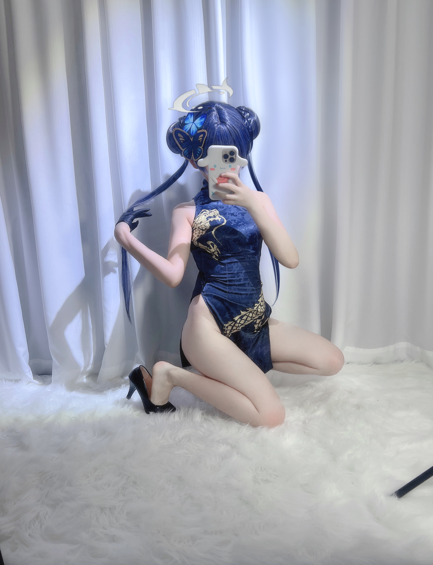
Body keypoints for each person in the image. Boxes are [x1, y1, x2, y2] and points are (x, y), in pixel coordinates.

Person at [114, 101, 344, 428]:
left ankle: (238, 366)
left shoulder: (259, 201)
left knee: (332, 360)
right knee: (272, 416)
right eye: (217, 155)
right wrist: (127, 240)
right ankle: (171, 375)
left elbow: (290, 259)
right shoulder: (186, 211)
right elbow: (173, 275)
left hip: (254, 321)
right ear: (195, 160)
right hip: (208, 326)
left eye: (233, 153)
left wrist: (252, 203)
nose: (227, 164)